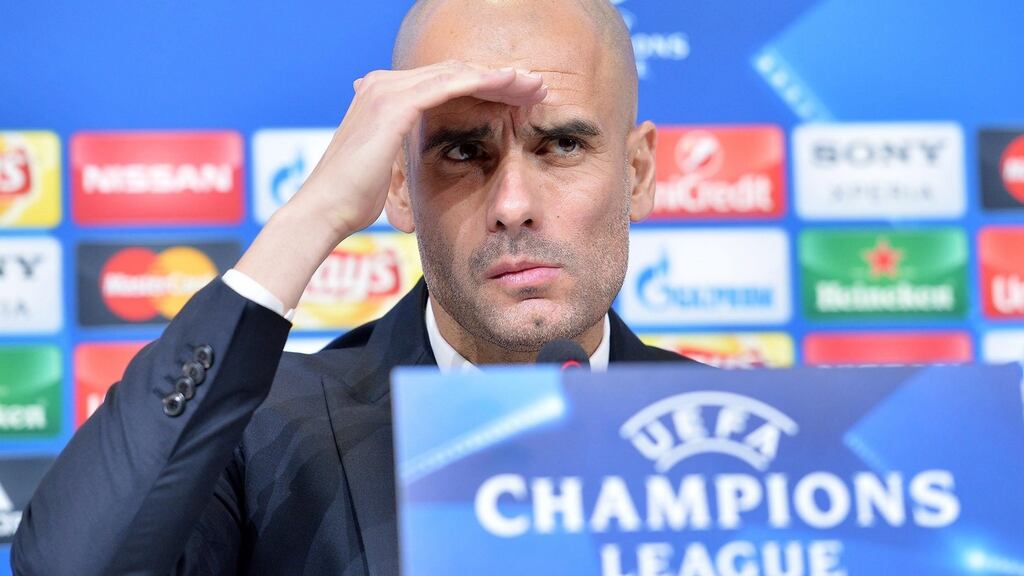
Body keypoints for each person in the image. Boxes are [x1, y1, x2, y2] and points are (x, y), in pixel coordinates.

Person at [12, 0, 697, 573]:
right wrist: (313, 216)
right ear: (399, 186)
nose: (513, 203)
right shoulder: (266, 431)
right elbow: (70, 566)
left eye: (563, 146)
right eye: (463, 152)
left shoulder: (750, 433)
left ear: (637, 174)